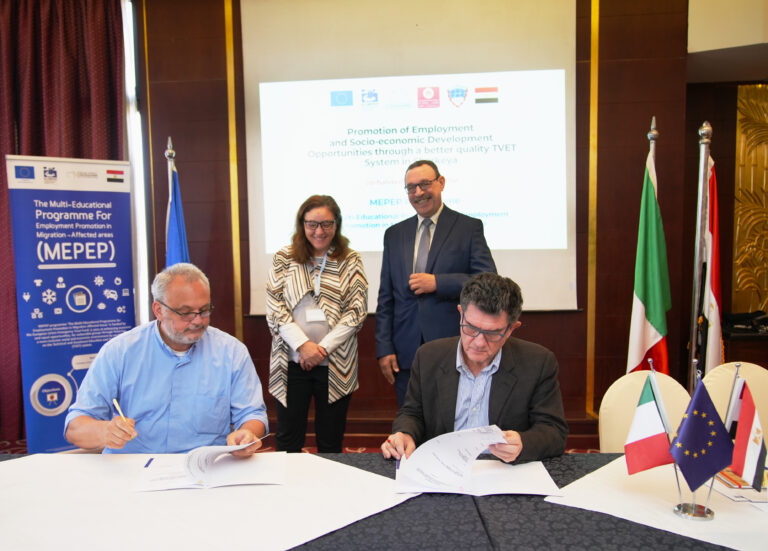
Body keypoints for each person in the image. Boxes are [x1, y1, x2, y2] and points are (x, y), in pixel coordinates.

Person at [64, 263, 268, 457]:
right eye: (186, 313)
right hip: (134, 466)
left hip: (205, 466)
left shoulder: (231, 352)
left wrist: (247, 433)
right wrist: (105, 431)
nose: (198, 320)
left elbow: (253, 414)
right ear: (158, 310)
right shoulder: (120, 351)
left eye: (204, 310)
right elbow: (75, 427)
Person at [381, 272, 568, 463]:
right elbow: (412, 414)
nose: (479, 342)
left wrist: (523, 443)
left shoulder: (537, 362)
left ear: (511, 329)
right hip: (443, 467)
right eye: (471, 328)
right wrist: (405, 434)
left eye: (492, 333)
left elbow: (554, 432)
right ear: (461, 314)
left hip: (502, 470)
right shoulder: (428, 357)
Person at [376, 160, 497, 406]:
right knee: (410, 419)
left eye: (424, 184)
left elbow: (488, 282)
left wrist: (438, 283)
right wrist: (384, 348)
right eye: (411, 188)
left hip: (454, 346)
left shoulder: (468, 227)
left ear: (441, 183)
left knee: (451, 418)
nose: (418, 192)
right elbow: (386, 297)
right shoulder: (394, 234)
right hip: (405, 352)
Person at [266, 195, 368, 452]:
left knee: (331, 440)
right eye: (312, 224)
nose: (319, 231)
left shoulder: (350, 259)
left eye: (326, 224)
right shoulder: (284, 258)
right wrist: (303, 346)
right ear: (302, 224)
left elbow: (357, 310)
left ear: (336, 224)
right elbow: (275, 307)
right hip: (291, 360)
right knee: (288, 439)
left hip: (336, 362)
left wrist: (320, 349)